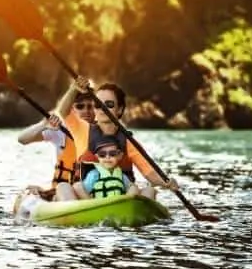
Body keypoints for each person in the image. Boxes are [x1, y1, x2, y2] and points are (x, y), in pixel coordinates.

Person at [50, 76, 178, 201]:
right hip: (87, 199)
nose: (103, 108)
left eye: (109, 104)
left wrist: (166, 182)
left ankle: (130, 212)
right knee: (63, 187)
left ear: (120, 109)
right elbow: (63, 112)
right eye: (98, 104)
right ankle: (76, 215)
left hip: (120, 198)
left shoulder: (129, 142)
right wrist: (74, 89)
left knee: (149, 191)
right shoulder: (83, 130)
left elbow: (150, 174)